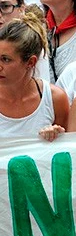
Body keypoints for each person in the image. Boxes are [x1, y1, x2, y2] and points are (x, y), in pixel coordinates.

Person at [0, 12, 69, 140]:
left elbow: (69, 150)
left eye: (6, 59)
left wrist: (56, 135)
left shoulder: (55, 99)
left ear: (31, 62)